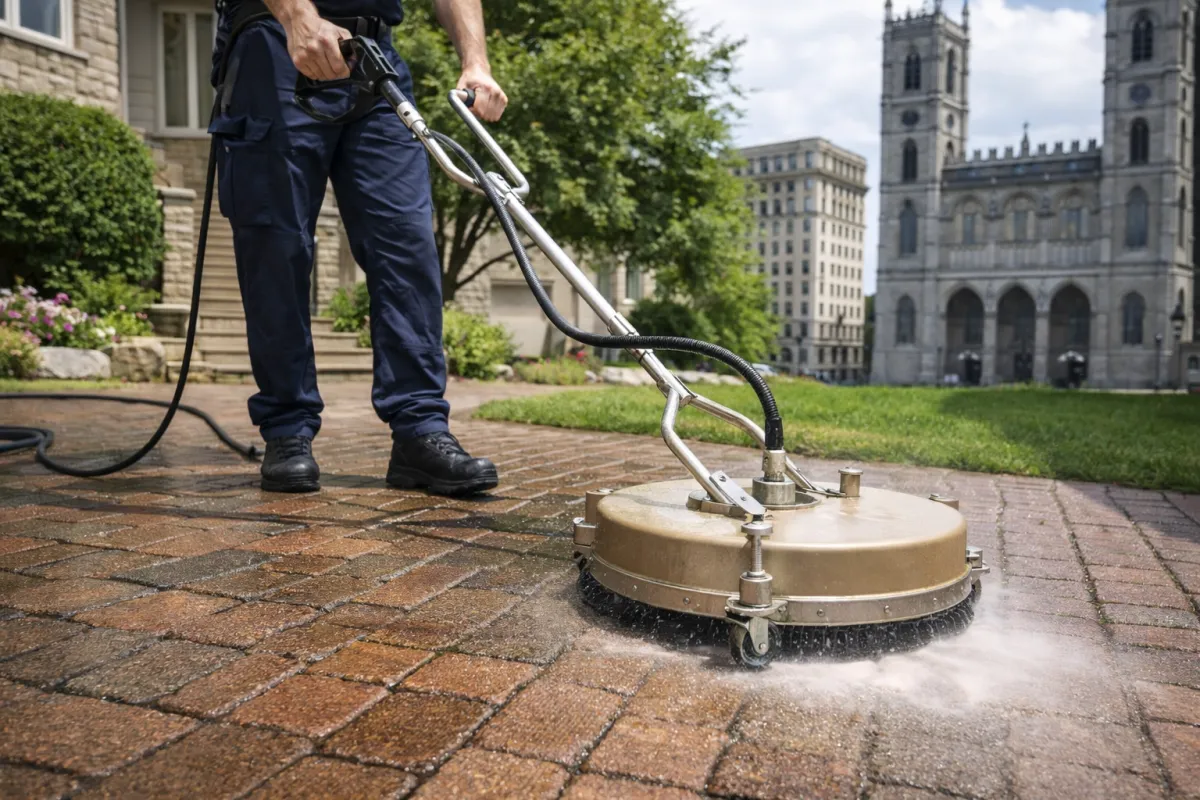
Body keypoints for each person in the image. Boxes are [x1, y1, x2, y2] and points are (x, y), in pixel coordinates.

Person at [210, 0, 507, 496]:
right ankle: (287, 429)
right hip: (276, 42)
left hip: (372, 56)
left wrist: (475, 60)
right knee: (277, 248)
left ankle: (419, 431)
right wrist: (297, 18)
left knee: (406, 246)